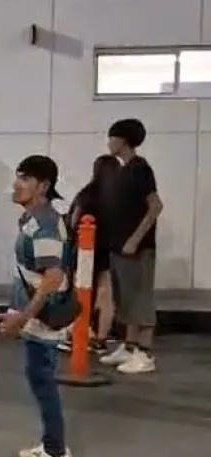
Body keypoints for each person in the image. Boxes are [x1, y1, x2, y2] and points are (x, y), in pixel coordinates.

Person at [0, 155, 75, 457]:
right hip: (36, 311)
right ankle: (51, 445)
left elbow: (52, 275)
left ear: (43, 186)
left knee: (42, 379)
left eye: (25, 178)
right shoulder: (31, 218)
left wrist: (24, 316)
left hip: (46, 312)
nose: (16, 184)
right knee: (38, 375)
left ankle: (55, 456)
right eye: (17, 177)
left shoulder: (43, 223)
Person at [99, 118, 162, 374]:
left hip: (137, 247)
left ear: (123, 140)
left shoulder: (140, 168)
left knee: (140, 298)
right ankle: (129, 345)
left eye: (112, 137)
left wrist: (135, 239)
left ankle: (145, 354)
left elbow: (155, 206)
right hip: (118, 246)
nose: (109, 142)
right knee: (124, 298)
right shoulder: (121, 170)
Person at [64, 154, 121, 353]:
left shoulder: (87, 194)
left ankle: (79, 333)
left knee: (81, 290)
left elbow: (73, 221)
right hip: (109, 249)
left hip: (85, 249)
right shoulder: (118, 196)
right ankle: (101, 337)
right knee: (105, 294)